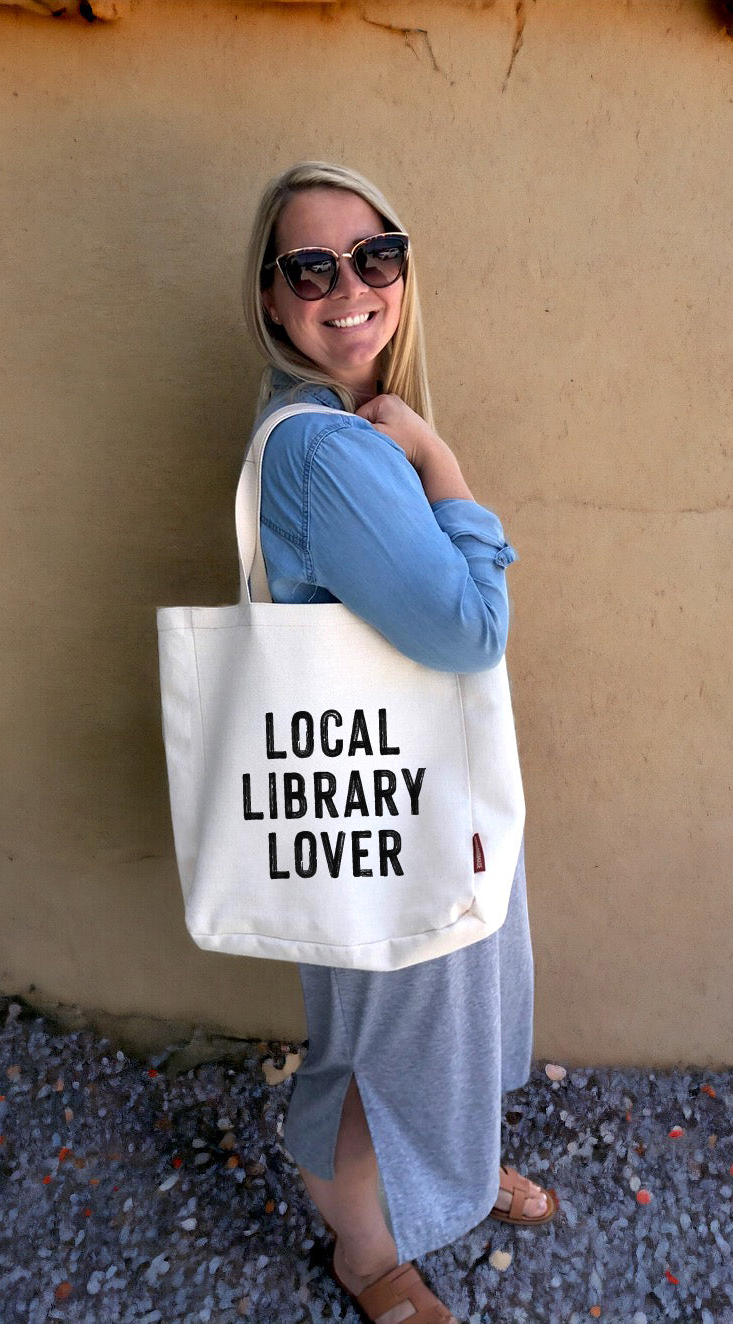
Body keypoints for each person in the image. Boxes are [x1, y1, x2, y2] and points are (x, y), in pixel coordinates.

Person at [241, 162, 556, 1324]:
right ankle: (367, 1253)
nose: (349, 286)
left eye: (375, 255)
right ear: (271, 299)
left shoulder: (336, 425)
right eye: (309, 267)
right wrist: (444, 469)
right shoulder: (335, 450)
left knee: (441, 1014)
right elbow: (469, 631)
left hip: (403, 789)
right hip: (383, 802)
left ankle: (458, 1185)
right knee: (379, 1038)